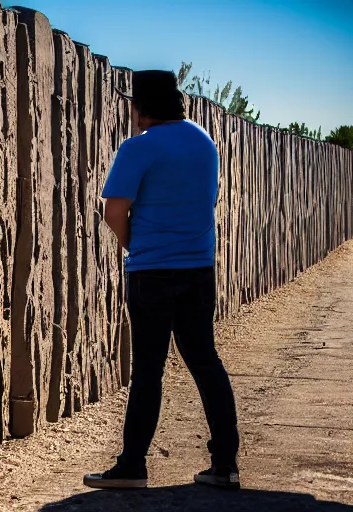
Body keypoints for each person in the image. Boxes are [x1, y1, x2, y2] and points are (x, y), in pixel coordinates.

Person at [83, 70, 240, 490]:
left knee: (148, 368)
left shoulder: (139, 146)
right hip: (198, 270)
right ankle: (225, 464)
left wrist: (133, 244)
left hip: (152, 272)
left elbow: (114, 211)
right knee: (205, 362)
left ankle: (132, 466)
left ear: (141, 108)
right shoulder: (205, 143)